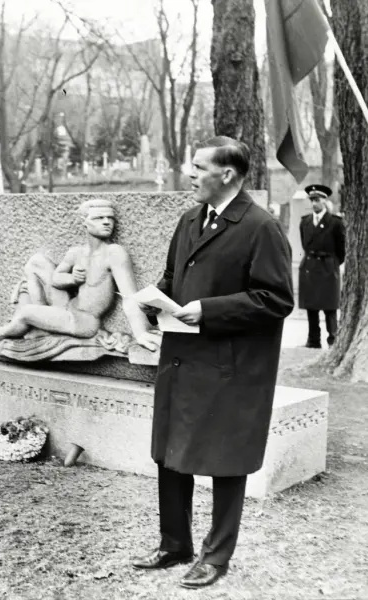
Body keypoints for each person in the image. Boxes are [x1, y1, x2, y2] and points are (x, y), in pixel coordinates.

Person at [132, 136, 294, 589]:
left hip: (229, 367)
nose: (190, 173)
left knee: (226, 460)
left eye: (199, 167)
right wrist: (153, 302)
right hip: (182, 359)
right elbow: (173, 277)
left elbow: (276, 299)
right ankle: (174, 544)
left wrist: (207, 310)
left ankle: (216, 556)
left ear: (227, 174)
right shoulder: (190, 219)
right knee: (170, 454)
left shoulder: (261, 226)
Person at [0, 199, 160, 352]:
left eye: (110, 218)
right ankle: (42, 320)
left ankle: (2, 332)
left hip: (83, 321)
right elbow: (56, 279)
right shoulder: (76, 253)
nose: (107, 222)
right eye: (99, 218)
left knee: (26, 312)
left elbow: (130, 296)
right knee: (37, 262)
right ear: (84, 222)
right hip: (67, 306)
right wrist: (72, 279)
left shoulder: (114, 253)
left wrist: (141, 332)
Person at [299, 184, 345, 348]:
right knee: (311, 307)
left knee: (329, 306)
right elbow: (305, 244)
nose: (314, 203)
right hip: (310, 267)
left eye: (317, 200)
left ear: (325, 200)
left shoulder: (335, 223)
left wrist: (332, 263)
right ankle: (313, 340)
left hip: (328, 267)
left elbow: (341, 249)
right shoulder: (305, 222)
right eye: (312, 200)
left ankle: (333, 339)